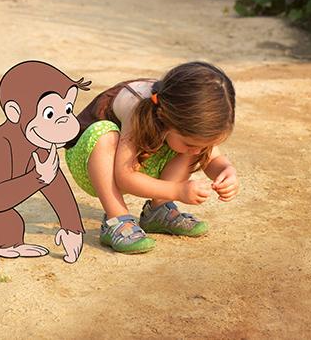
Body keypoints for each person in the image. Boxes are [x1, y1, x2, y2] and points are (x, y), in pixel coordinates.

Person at [65, 61, 239, 254]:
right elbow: (125, 177)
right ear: (164, 116)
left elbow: (212, 158)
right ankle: (116, 219)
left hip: (139, 159)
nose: (198, 152)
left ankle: (158, 210)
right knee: (105, 135)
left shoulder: (184, 113)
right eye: (190, 143)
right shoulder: (138, 107)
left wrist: (226, 170)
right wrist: (177, 190)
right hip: (92, 163)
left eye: (204, 145)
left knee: (189, 149)